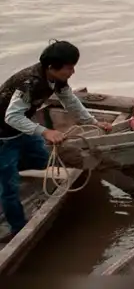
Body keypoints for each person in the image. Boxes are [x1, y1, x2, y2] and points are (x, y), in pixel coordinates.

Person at [0, 41, 111, 241]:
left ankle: (11, 167)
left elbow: (70, 101)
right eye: (69, 67)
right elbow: (12, 117)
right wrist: (45, 132)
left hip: (22, 132)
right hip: (3, 137)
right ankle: (18, 230)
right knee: (9, 188)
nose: (73, 72)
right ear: (51, 67)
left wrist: (93, 122)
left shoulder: (56, 79)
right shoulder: (30, 83)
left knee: (43, 159)